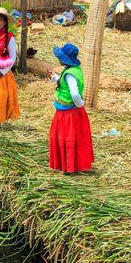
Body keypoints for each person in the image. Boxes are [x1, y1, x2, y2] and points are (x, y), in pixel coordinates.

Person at [48, 43, 94, 174]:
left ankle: (69, 166)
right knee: (74, 139)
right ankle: (70, 165)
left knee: (67, 138)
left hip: (68, 113)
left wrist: (79, 104)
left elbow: (74, 93)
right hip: (70, 111)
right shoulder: (74, 69)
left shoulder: (69, 74)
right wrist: (55, 78)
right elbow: (66, 84)